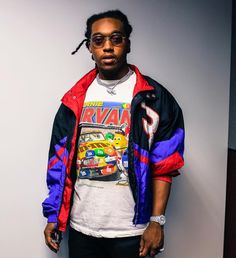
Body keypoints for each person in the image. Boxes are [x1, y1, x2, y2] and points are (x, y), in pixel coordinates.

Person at [42, 9, 184, 258]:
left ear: (128, 43)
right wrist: (54, 216)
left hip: (132, 232)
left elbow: (165, 166)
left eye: (115, 38)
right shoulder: (74, 100)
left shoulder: (154, 98)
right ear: (89, 47)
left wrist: (156, 221)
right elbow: (58, 162)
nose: (107, 47)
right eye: (99, 40)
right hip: (81, 227)